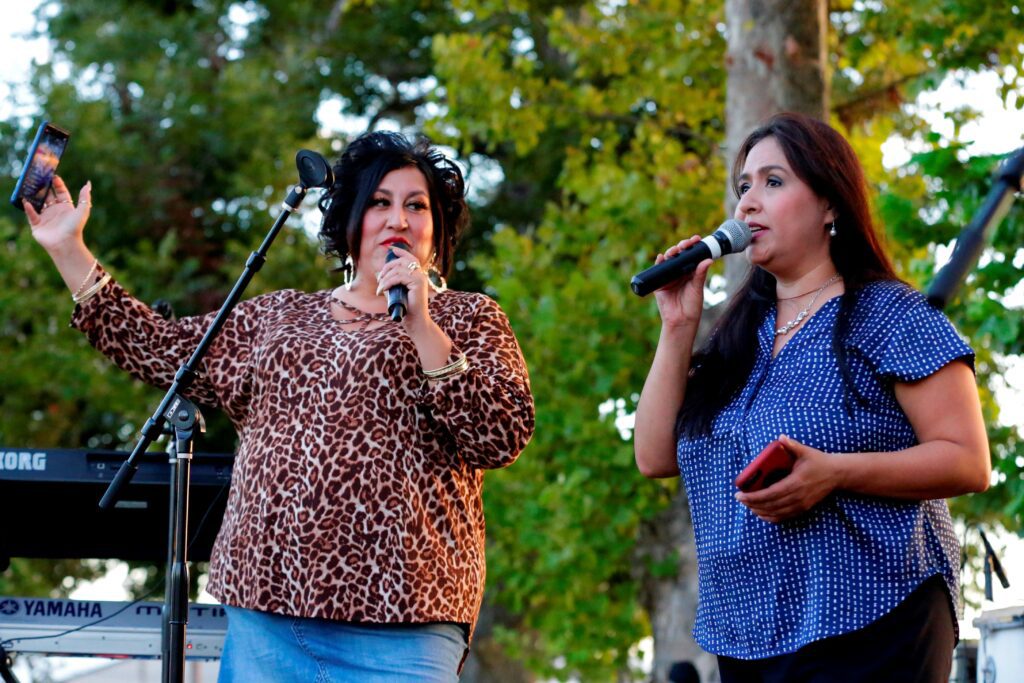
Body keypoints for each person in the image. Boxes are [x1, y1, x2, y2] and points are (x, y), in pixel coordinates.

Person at [25, 131, 535, 682]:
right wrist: (66, 248)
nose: (398, 220)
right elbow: (161, 348)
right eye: (380, 203)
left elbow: (500, 434)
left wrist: (421, 325)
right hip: (266, 620)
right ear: (349, 221)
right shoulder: (280, 316)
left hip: (403, 627)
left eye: (417, 206)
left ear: (437, 229)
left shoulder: (469, 319)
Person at [633, 112, 990, 682]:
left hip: (875, 615)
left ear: (830, 205)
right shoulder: (735, 340)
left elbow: (968, 459)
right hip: (747, 633)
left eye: (773, 182)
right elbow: (654, 457)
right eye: (743, 186)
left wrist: (835, 473)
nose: (748, 203)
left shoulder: (890, 313)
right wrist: (677, 326)